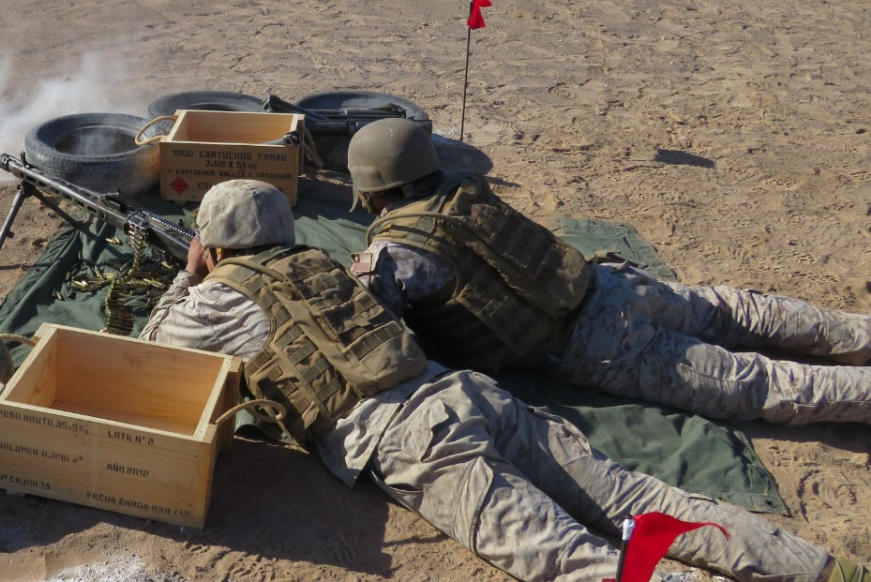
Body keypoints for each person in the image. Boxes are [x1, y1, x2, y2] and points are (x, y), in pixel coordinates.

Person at [141, 178, 865, 582]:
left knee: (572, 559)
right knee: (644, 500)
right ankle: (816, 571)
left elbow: (150, 350)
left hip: (413, 442)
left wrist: (187, 275)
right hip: (467, 393)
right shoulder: (326, 265)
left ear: (215, 244)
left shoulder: (214, 301)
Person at [347, 118, 871, 428]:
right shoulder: (463, 183)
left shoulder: (395, 252)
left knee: (754, 384)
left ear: (370, 188)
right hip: (613, 283)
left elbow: (380, 341)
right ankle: (859, 332)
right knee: (740, 311)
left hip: (596, 344)